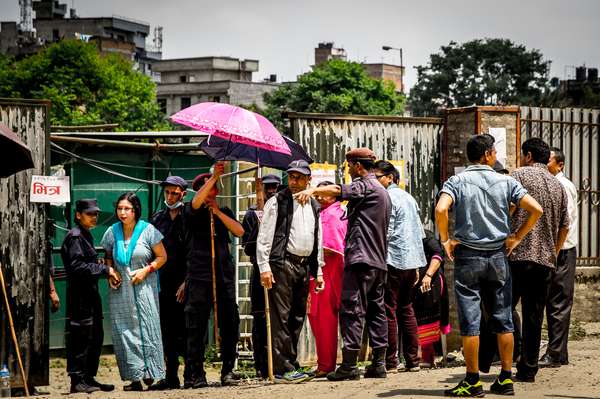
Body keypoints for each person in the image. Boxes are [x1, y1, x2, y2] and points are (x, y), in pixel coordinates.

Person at [436, 134, 543, 397]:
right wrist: (516, 238)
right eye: (494, 151)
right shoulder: (506, 181)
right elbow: (536, 209)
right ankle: (506, 378)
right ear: (486, 155)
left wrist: (446, 240)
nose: (495, 155)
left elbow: (441, 210)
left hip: (468, 257)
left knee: (471, 321)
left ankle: (472, 381)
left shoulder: (457, 181)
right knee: (503, 317)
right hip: (498, 256)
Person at [294, 148, 391, 382]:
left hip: (361, 260)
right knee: (376, 311)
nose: (348, 170)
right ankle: (378, 364)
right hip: (378, 261)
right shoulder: (382, 191)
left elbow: (338, 190)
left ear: (358, 166)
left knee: (352, 310)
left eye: (349, 166)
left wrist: (313, 188)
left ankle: (349, 365)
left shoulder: (366, 184)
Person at [256, 160, 325, 383]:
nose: (294, 182)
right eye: (291, 177)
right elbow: (264, 237)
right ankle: (281, 368)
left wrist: (319, 270)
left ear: (308, 180)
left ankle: (291, 363)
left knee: (297, 316)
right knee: (281, 317)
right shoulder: (277, 202)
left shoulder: (314, 205)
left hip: (304, 266)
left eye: (299, 177)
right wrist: (264, 267)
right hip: (282, 264)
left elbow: (318, 237)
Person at [509, 138, 570, 382]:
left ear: (529, 155)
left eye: (523, 154)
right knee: (535, 315)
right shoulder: (558, 186)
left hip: (516, 255)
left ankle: (503, 358)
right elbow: (565, 226)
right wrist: (553, 252)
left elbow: (510, 208)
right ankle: (528, 369)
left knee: (503, 309)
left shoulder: (518, 175)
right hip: (545, 260)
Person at [182, 164, 244, 388]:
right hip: (199, 277)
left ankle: (228, 370)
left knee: (230, 323)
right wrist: (214, 175)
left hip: (223, 277)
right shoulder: (191, 211)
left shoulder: (223, 211)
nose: (211, 191)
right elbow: (196, 203)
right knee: (196, 326)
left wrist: (217, 212)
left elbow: (239, 231)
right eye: (207, 187)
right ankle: (195, 374)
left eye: (214, 187)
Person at [101, 192, 168, 391]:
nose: (122, 213)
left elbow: (162, 256)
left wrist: (147, 270)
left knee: (148, 328)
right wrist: (110, 272)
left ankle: (151, 373)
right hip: (120, 291)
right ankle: (134, 378)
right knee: (125, 332)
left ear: (135, 210)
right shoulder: (112, 232)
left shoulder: (148, 230)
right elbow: (107, 256)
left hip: (145, 288)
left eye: (127, 209)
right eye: (119, 208)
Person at [61, 199, 121, 394]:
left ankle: (88, 377)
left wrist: (102, 267)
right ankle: (77, 380)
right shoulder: (76, 236)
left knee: (95, 336)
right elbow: (77, 267)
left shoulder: (86, 235)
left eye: (95, 214)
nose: (94, 217)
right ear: (78, 215)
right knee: (81, 336)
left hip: (90, 294)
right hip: (80, 297)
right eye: (89, 213)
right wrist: (105, 269)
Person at [374, 160, 426, 374]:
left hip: (392, 260)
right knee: (406, 309)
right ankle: (413, 360)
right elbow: (418, 233)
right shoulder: (409, 198)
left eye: (377, 177)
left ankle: (391, 362)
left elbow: (386, 233)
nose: (375, 181)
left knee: (389, 310)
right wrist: (415, 266)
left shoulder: (387, 197)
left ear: (389, 178)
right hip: (410, 262)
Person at [149, 176, 189, 390]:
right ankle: (170, 376)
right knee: (167, 331)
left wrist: (187, 281)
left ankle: (192, 375)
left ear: (184, 193)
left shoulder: (189, 217)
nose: (171, 196)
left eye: (175, 193)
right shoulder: (157, 219)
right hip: (163, 282)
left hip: (186, 282)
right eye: (167, 192)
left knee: (187, 330)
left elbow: (194, 252)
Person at [540, 147, 578, 368]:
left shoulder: (563, 185)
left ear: (560, 165)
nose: (546, 165)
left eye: (550, 161)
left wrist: (554, 250)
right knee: (554, 301)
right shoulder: (555, 185)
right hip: (557, 249)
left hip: (562, 250)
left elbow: (566, 222)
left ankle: (555, 353)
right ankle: (559, 352)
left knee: (558, 303)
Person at [241, 173, 281, 379]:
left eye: (275, 187)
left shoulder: (282, 210)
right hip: (259, 270)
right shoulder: (251, 215)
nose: (272, 191)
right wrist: (259, 230)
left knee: (280, 318)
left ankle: (280, 364)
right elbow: (247, 248)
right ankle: (262, 366)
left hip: (281, 270)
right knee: (259, 317)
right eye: (268, 188)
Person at [307, 180, 348, 377]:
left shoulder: (330, 214)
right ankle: (329, 362)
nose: (319, 197)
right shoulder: (335, 212)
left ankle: (325, 364)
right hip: (334, 271)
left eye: (324, 193)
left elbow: (331, 248)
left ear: (334, 195)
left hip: (328, 270)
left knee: (322, 318)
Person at [413, 229, 450, 368]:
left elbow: (438, 254)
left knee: (428, 313)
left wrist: (428, 276)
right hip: (413, 283)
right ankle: (415, 355)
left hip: (431, 281)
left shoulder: (425, 235)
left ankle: (428, 356)